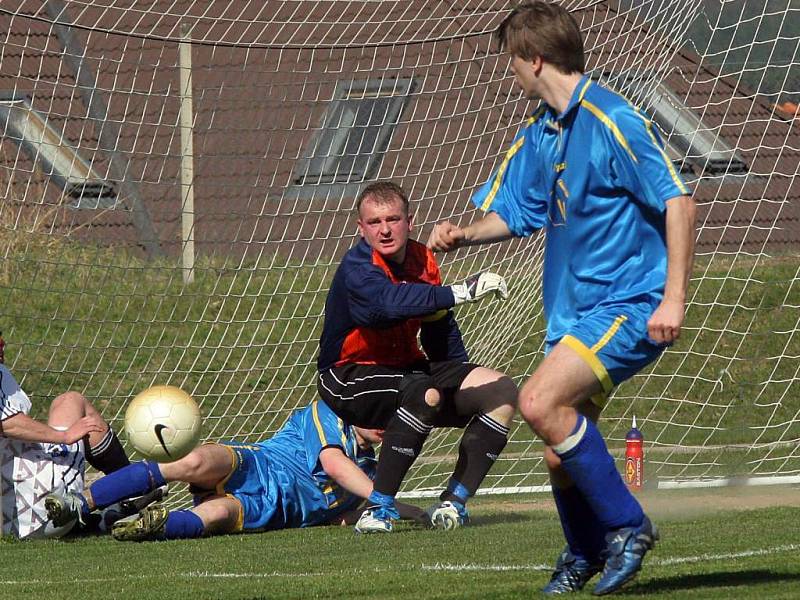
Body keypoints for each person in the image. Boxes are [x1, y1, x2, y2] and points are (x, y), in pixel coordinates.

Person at [428, 2, 696, 595]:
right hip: (574, 312)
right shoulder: (541, 132)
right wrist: (467, 234)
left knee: (538, 402)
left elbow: (678, 200)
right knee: (559, 450)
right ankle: (584, 552)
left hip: (629, 301)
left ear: (535, 59)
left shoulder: (612, 118)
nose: (512, 74)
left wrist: (672, 297)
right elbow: (519, 212)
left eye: (513, 63)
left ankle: (628, 526)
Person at [317, 180, 519, 534]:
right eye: (374, 222)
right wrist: (460, 291)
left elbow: (439, 334)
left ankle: (453, 504)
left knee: (501, 391)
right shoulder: (357, 265)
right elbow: (383, 307)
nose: (384, 230)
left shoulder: (423, 260)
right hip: (347, 377)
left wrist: (460, 374)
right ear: (360, 228)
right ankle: (378, 509)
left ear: (409, 222)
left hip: (406, 371)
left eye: (392, 219)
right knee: (423, 391)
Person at [46, 399, 428, 541]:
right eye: (379, 413)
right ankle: (80, 502)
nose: (383, 424)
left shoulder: (370, 473)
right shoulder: (328, 412)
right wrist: (385, 499)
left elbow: (348, 516)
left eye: (391, 421)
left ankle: (147, 527)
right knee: (192, 462)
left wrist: (411, 512)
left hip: (275, 512)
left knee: (216, 514)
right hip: (256, 465)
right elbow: (332, 462)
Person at [0, 361, 130, 539]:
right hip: (48, 512)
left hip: (12, 524)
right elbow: (7, 424)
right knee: (71, 401)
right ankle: (130, 494)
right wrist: (65, 436)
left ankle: (110, 507)